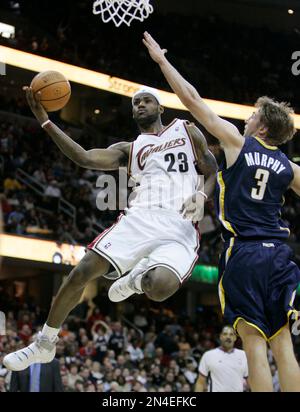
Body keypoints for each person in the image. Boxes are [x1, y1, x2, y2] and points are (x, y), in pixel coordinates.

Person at [3, 84, 217, 372]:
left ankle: (135, 281)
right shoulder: (128, 150)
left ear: (161, 108)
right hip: (139, 219)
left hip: (179, 227)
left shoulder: (187, 130)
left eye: (146, 101)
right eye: (136, 102)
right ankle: (44, 344)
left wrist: (202, 195)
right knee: (82, 271)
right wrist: (45, 120)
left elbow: (212, 170)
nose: (140, 105)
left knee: (160, 287)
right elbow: (84, 157)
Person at [142, 31, 300, 392]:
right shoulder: (289, 168)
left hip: (245, 253)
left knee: (255, 345)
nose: (247, 118)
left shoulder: (237, 143)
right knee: (283, 343)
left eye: (252, 115)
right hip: (279, 256)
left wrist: (162, 61)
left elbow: (193, 100)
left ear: (261, 126)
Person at [195, 326, 248, 392]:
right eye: (225, 334)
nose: (228, 337)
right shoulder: (209, 355)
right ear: (220, 337)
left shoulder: (243, 355)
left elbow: (249, 381)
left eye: (231, 334)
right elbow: (200, 382)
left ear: (235, 338)